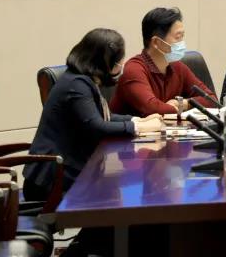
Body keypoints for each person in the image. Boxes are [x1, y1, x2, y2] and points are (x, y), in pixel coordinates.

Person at [24, 29, 164, 257]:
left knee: (124, 193)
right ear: (103, 62)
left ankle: (85, 249)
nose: (121, 65)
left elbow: (102, 117)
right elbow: (97, 127)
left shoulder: (80, 80)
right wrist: (138, 128)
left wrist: (137, 120)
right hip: (52, 180)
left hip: (69, 171)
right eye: (118, 61)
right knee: (123, 200)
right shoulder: (76, 85)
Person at [110, 7, 216, 117]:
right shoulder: (134, 70)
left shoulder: (177, 67)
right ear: (156, 42)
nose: (182, 43)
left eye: (182, 37)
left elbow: (212, 100)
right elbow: (152, 108)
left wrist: (183, 103)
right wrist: (177, 108)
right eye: (178, 37)